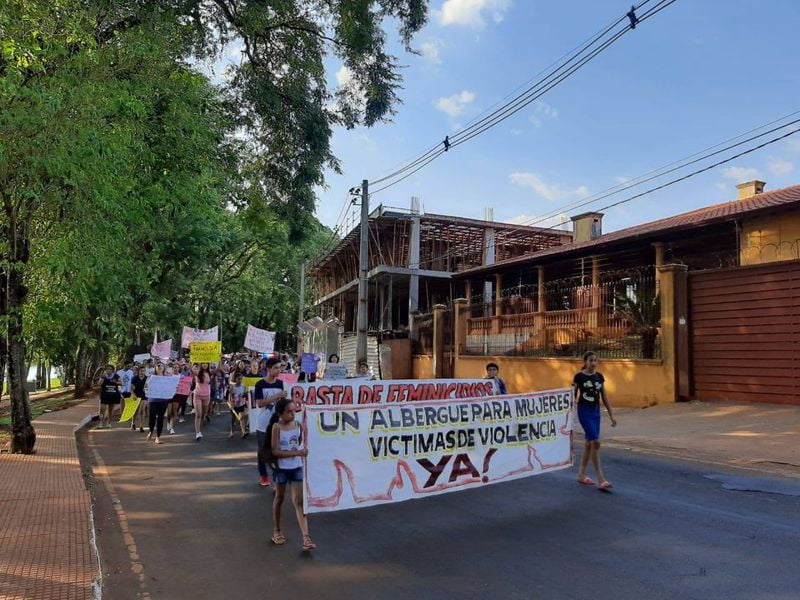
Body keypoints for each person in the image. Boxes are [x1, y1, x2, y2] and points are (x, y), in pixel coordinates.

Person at [269, 398, 315, 550]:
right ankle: (277, 530)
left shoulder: (298, 425)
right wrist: (297, 452)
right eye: (289, 412)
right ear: (280, 414)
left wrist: (302, 452)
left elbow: (301, 443)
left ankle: (306, 537)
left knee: (299, 501)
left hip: (296, 468)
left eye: (294, 411)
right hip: (281, 469)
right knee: (280, 498)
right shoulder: (277, 427)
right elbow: (275, 451)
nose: (292, 414)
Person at [573, 351, 617, 490]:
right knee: (595, 441)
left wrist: (611, 415)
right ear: (585, 362)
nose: (593, 363)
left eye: (595, 360)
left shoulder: (599, 377)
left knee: (588, 444)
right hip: (584, 411)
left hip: (595, 412)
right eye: (591, 360)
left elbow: (604, 396)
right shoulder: (579, 377)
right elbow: (571, 395)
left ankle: (581, 474)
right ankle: (601, 479)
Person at [254, 357, 286, 487]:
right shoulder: (260, 384)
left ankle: (276, 478)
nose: (279, 370)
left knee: (277, 451)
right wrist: (277, 396)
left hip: (278, 424)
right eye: (276, 368)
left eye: (280, 367)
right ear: (268, 369)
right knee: (263, 451)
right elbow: (260, 403)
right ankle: (263, 476)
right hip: (263, 424)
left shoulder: (281, 384)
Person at [145, 363, 172, 444]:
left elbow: (170, 387)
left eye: (161, 366)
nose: (160, 367)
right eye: (158, 366)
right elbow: (146, 386)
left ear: (164, 368)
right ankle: (151, 430)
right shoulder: (151, 377)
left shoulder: (167, 377)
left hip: (163, 400)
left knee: (160, 418)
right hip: (152, 399)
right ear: (155, 368)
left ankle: (158, 437)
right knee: (152, 417)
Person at [194, 363, 212, 441]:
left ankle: (200, 429)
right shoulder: (198, 372)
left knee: (203, 414)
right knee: (198, 414)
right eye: (203, 363)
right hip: (197, 396)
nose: (205, 365)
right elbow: (191, 369)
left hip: (206, 396)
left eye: (206, 363)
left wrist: (219, 359)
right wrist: (191, 359)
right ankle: (197, 432)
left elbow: (218, 369)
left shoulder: (209, 373)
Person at [228, 373, 248, 438]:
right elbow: (230, 395)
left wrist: (245, 396)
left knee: (241, 417)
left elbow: (245, 395)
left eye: (241, 379)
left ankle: (243, 432)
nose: (240, 380)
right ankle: (232, 432)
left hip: (241, 404)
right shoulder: (232, 387)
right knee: (233, 419)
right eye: (238, 379)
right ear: (235, 379)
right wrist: (231, 403)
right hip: (234, 405)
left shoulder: (244, 386)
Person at [131, 366, 148, 433]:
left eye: (143, 371)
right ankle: (133, 423)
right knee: (135, 411)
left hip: (144, 396)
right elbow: (131, 389)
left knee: (142, 410)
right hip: (136, 396)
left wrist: (146, 389)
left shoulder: (147, 378)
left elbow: (149, 387)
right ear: (138, 371)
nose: (142, 372)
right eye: (141, 371)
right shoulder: (135, 378)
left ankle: (141, 426)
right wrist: (133, 394)